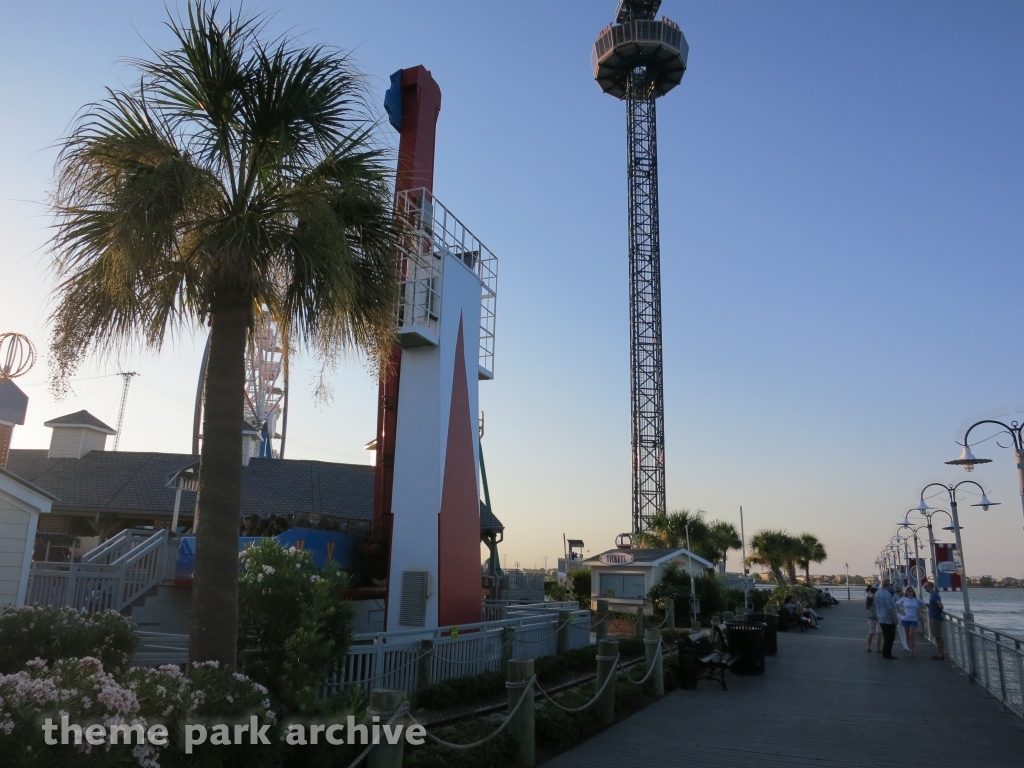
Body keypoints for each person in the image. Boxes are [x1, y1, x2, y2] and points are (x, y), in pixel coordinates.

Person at [875, 579, 898, 659]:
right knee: (890, 637)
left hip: (880, 617)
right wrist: (895, 619)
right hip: (888, 619)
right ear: (887, 585)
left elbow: (876, 605)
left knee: (885, 635)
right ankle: (887, 653)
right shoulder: (887, 594)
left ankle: (885, 652)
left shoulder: (877, 593)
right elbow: (890, 608)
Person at [897, 586, 923, 657]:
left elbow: (924, 603)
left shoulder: (916, 599)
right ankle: (909, 650)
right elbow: (896, 604)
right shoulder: (904, 599)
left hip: (913, 619)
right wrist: (900, 612)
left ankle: (912, 648)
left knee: (911, 635)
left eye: (911, 591)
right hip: (905, 618)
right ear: (906, 593)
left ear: (913, 592)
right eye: (908, 591)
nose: (909, 592)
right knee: (907, 635)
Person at [923, 581, 946, 661]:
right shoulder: (932, 595)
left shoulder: (935, 595)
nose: (924, 588)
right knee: (936, 636)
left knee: (938, 636)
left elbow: (940, 605)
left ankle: (941, 654)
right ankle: (940, 652)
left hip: (936, 618)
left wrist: (938, 609)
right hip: (933, 617)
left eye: (926, 586)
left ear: (930, 587)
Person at [865, 585, 881, 652]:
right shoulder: (877, 597)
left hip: (870, 615)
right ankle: (878, 649)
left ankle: (868, 647)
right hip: (878, 615)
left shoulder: (868, 597)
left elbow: (866, 607)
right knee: (879, 633)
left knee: (871, 632)